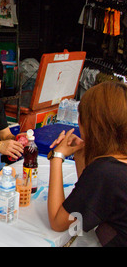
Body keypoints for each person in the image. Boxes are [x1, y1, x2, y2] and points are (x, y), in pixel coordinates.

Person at [47, 81, 127, 247]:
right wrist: (80, 152)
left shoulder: (106, 172)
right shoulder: (115, 165)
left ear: (93, 124)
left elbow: (58, 221)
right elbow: (86, 201)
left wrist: (57, 157)